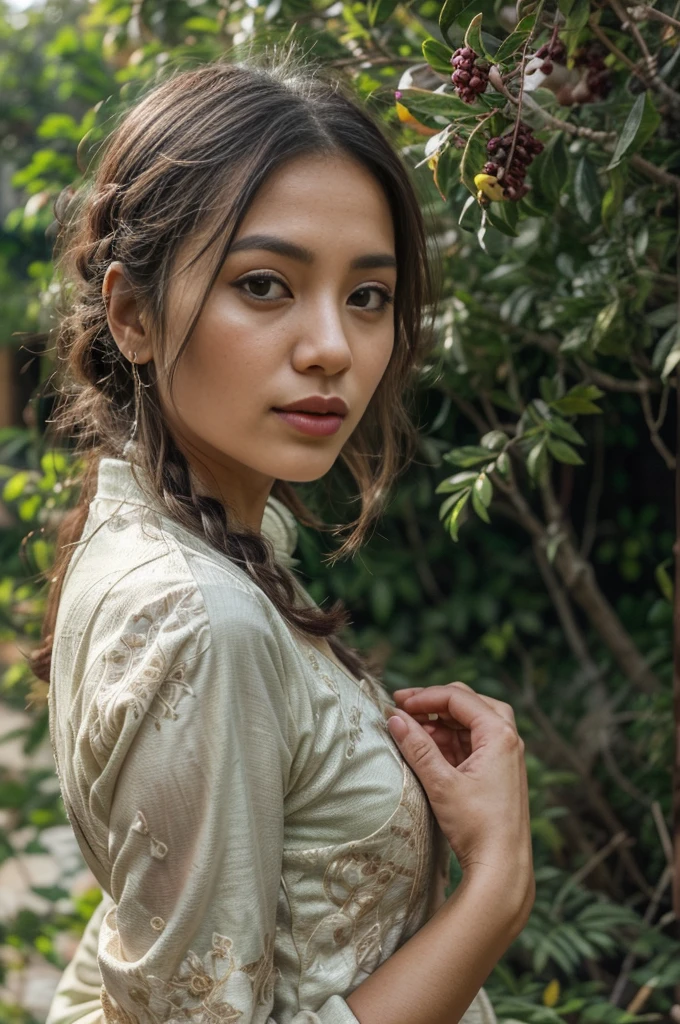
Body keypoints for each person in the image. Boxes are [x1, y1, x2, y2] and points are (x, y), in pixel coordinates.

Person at [34, 45, 534, 1024]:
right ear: (132, 312)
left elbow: (141, 935)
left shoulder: (183, 527)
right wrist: (495, 887)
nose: (332, 348)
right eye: (264, 284)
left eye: (367, 296)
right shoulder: (197, 615)